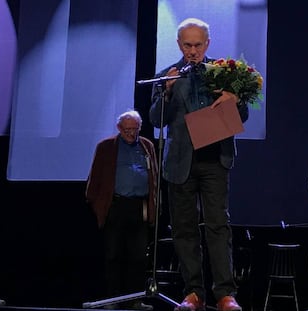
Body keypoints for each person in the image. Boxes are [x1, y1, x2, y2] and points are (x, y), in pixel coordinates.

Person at [149, 18, 248, 311]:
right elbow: (156, 120)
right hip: (181, 162)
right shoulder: (167, 75)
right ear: (179, 44)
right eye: (187, 45)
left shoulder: (223, 72)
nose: (192, 50)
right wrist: (166, 91)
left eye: (197, 44)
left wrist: (234, 100)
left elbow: (242, 116)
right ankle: (193, 292)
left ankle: (225, 294)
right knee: (184, 229)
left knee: (218, 226)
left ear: (207, 44)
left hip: (215, 160)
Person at [86, 110, 158, 310]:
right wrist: (98, 204)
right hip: (116, 206)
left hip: (139, 206)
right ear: (119, 128)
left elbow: (155, 177)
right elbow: (94, 180)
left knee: (138, 257)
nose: (131, 134)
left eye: (135, 129)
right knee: (113, 255)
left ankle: (135, 300)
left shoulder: (147, 146)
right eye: (127, 130)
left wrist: (153, 205)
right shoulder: (106, 147)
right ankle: (113, 299)